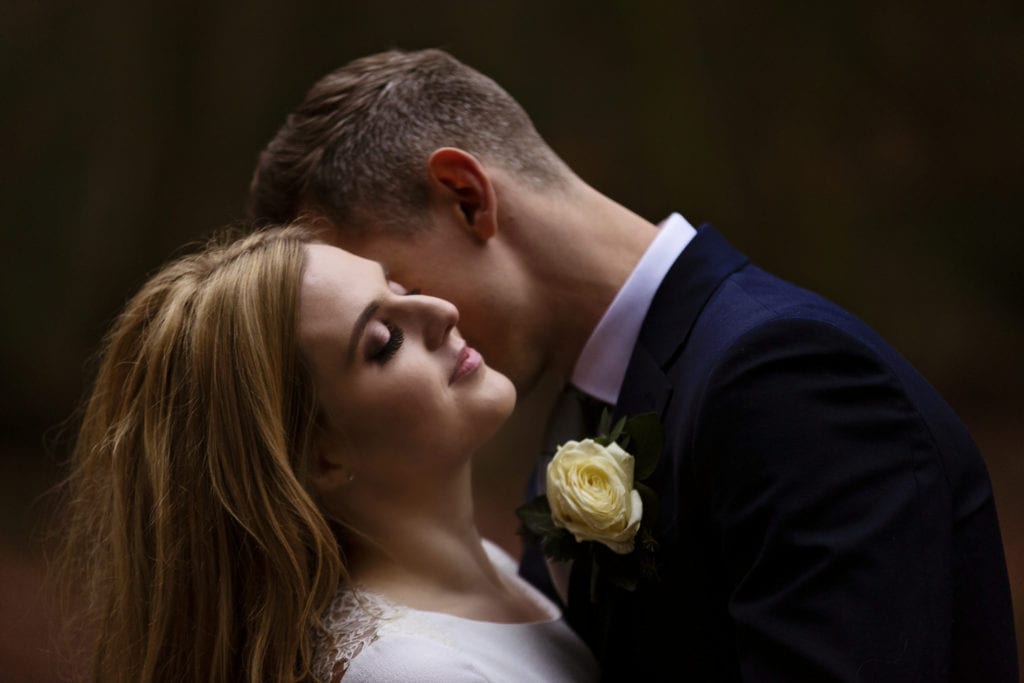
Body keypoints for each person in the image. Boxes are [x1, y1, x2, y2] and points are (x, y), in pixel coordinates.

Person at [246, 48, 1019, 681]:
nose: (430, 317)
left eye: (401, 286)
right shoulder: (578, 419)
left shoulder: (784, 377)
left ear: (466, 196)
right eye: (381, 326)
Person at [51, 226, 600, 682]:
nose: (441, 309)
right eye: (384, 341)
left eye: (398, 284)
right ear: (321, 458)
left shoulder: (499, 570)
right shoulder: (414, 671)